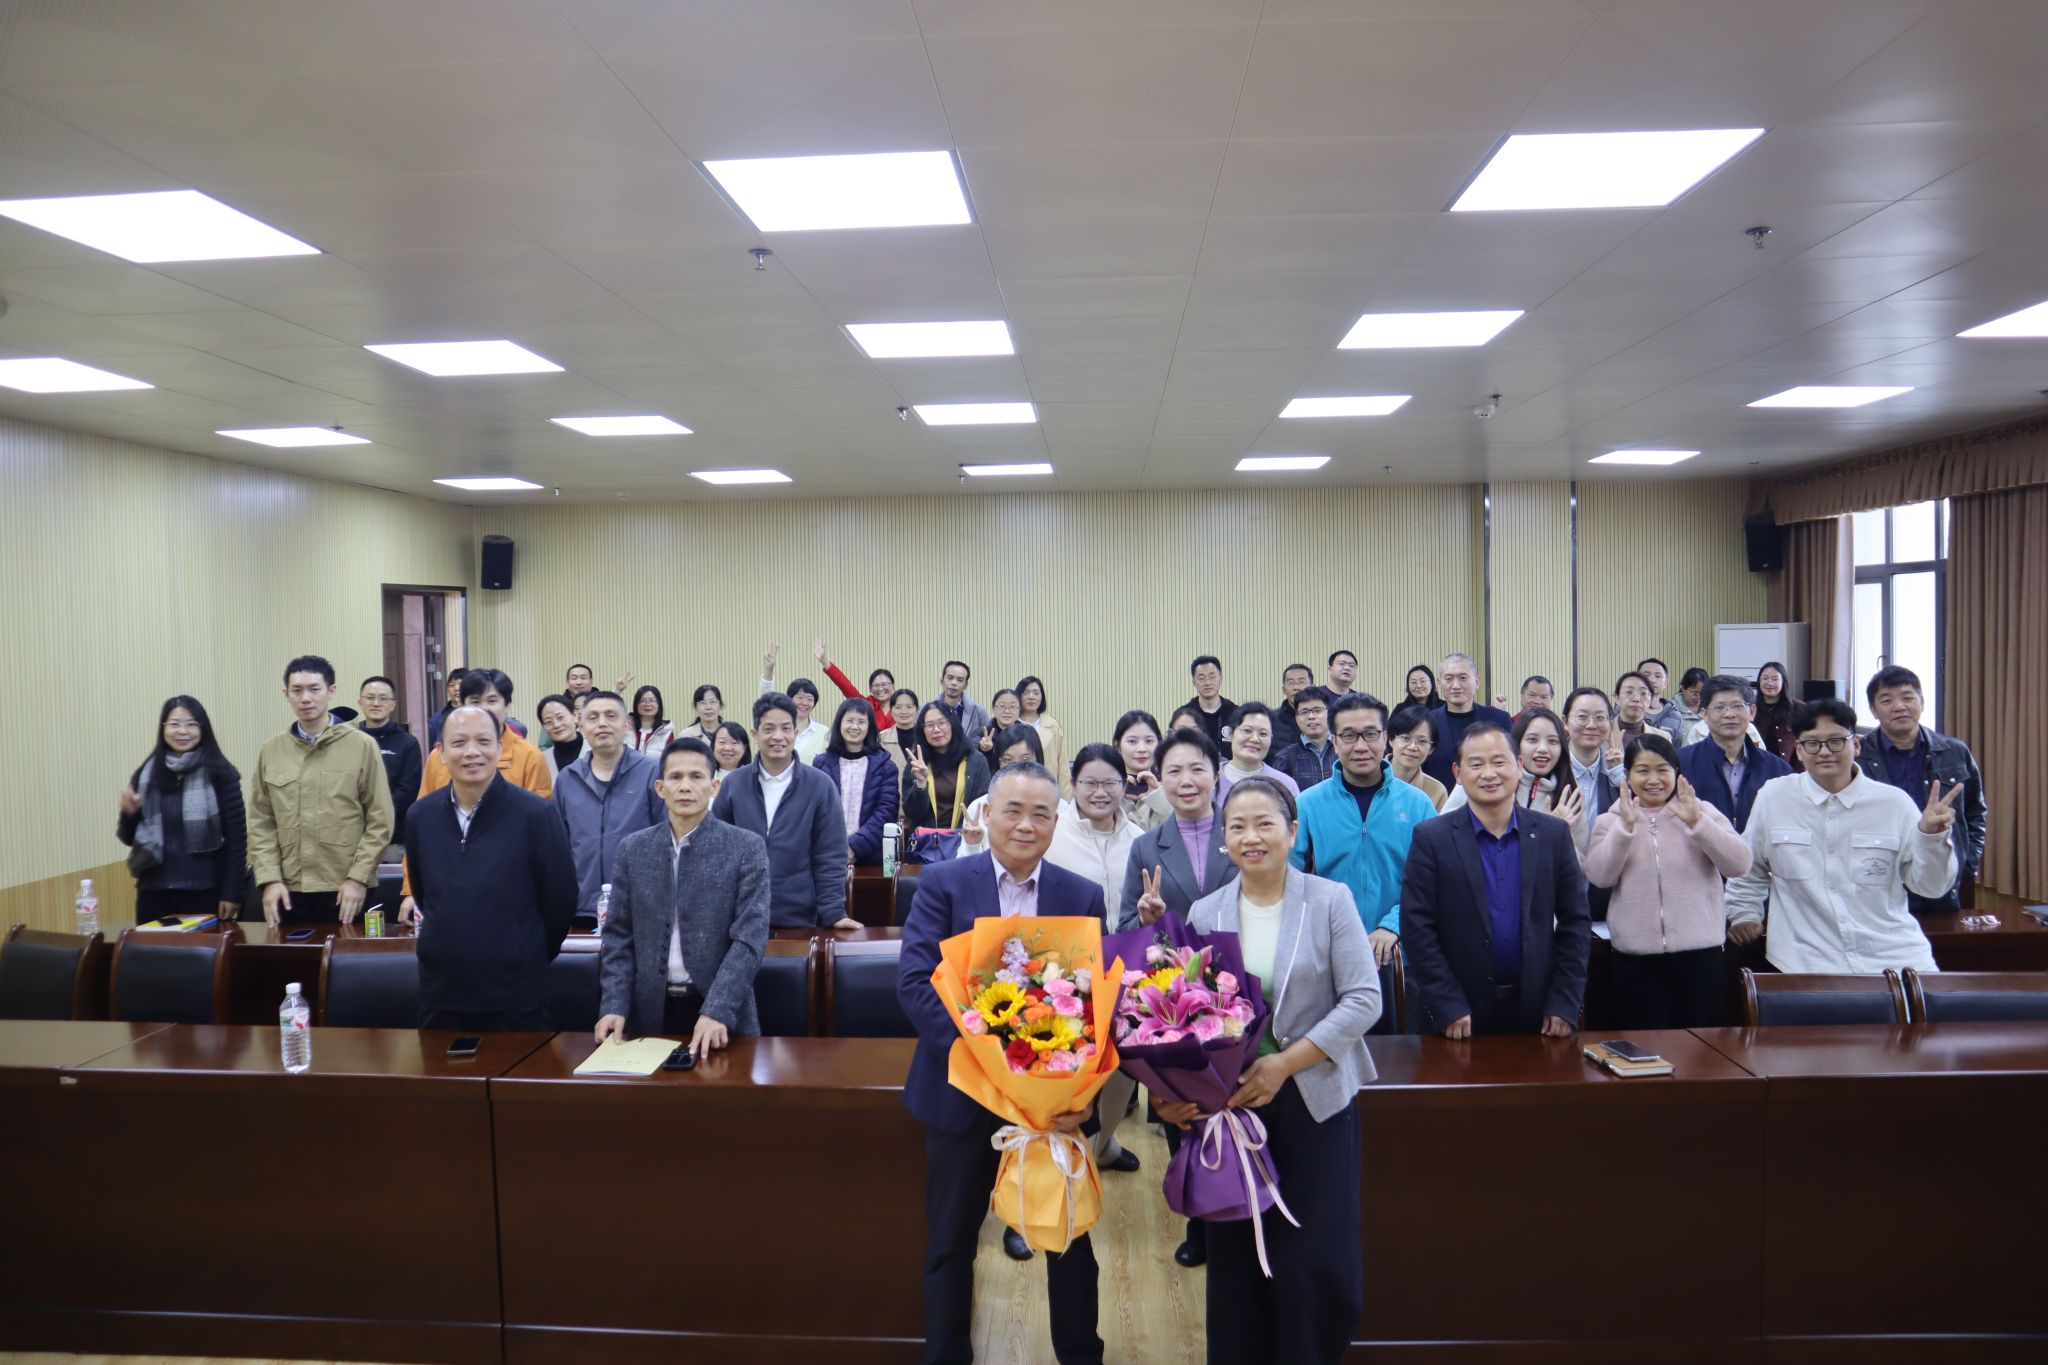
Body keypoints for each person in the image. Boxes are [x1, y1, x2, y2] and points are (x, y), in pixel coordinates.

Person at [896, 760, 1106, 1365]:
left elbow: (1096, 1003)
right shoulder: (944, 884)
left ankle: (1080, 1355)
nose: (1025, 825)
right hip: (962, 1094)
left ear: (1056, 822)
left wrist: (1081, 1089)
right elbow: (915, 984)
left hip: (1052, 1103)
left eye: (1041, 814)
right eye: (1012, 810)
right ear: (987, 813)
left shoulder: (1081, 894)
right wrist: (986, 1064)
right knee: (951, 1241)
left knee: (1068, 1240)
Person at [1168, 777, 1379, 1365]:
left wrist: (1284, 1064)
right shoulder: (1206, 911)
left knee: (1312, 1257)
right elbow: (1185, 1015)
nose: (1251, 837)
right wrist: (1173, 1093)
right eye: (1237, 826)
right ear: (1223, 839)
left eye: (1265, 823)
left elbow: (1364, 999)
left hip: (1314, 1097)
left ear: (1292, 832)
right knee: (1236, 1256)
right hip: (1233, 1109)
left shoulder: (1329, 899)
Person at [1725, 699, 1959, 974]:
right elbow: (1749, 868)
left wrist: (1931, 838)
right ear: (1799, 750)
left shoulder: (1894, 804)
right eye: (1813, 743)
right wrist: (1744, 914)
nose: (1824, 752)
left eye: (1836, 741)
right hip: (1804, 962)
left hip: (1892, 958)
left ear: (1856, 745)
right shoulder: (1775, 797)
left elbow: (1931, 887)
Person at [1399, 723, 1592, 1037]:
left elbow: (1576, 923)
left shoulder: (1552, 835)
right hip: (1457, 1015)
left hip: (1539, 1013)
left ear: (1518, 766)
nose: (1489, 774)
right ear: (1458, 773)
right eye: (1476, 764)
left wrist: (1563, 1001)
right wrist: (1447, 1004)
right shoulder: (1431, 838)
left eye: (1499, 762)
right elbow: (1417, 927)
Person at [595, 737, 772, 1055]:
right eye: (675, 777)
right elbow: (618, 936)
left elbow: (749, 939)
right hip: (649, 1013)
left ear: (714, 787)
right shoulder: (633, 850)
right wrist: (614, 1005)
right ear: (660, 788)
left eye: (696, 776)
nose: (685, 786)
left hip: (721, 1013)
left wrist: (717, 1009)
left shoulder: (745, 847)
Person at [405, 705, 576, 1031]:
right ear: (441, 752)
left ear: (499, 747)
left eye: (483, 741)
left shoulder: (535, 814)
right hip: (441, 993)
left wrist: (524, 953)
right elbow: (424, 894)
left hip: (517, 995)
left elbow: (561, 900)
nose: (472, 752)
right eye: (459, 743)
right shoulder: (420, 816)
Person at [1584, 735, 1751, 1029]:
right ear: (1627, 775)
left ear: (1676, 773)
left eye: (1662, 770)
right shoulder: (1611, 821)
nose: (1653, 780)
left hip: (1701, 956)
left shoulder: (1701, 811)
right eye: (1642, 770)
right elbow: (1600, 876)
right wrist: (1624, 829)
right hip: (1635, 959)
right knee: (1645, 1046)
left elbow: (1739, 864)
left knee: (1702, 1046)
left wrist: (1698, 823)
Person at [1291, 692, 1435, 971]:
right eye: (1348, 736)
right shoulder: (1308, 804)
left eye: (1370, 734)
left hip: (1402, 957)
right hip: (1331, 956)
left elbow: (1432, 881)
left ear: (1385, 738)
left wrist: (1393, 925)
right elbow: (1290, 879)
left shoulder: (1418, 804)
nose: (1360, 746)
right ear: (1334, 741)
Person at [248, 655, 393, 926]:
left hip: (346, 888)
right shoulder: (271, 750)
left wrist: (358, 877)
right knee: (289, 955)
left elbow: (380, 819)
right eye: (297, 690)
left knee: (350, 953)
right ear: (286, 694)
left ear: (331, 691)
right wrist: (269, 879)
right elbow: (261, 822)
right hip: (288, 889)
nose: (306, 698)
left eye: (314, 689)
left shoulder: (361, 745)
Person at [709, 692, 860, 931]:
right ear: (755, 735)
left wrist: (833, 912)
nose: (778, 736)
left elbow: (831, 855)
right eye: (769, 729)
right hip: (740, 918)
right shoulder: (733, 785)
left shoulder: (820, 786)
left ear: (795, 733)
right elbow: (716, 851)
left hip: (801, 920)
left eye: (786, 728)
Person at [1857, 665, 1988, 914]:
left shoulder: (1954, 751)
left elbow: (1975, 812)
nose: (1899, 707)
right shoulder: (1858, 757)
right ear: (1873, 710)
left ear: (1922, 702)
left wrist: (1967, 864)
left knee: (1942, 939)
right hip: (1880, 880)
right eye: (1887, 700)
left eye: (1907, 697)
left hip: (1940, 874)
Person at [117, 696, 247, 924]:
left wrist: (231, 894)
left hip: (205, 893)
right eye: (174, 724)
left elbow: (236, 840)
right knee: (151, 948)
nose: (182, 731)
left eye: (191, 724)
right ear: (163, 728)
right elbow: (128, 838)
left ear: (203, 728)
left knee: (204, 948)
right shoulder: (147, 774)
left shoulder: (221, 773)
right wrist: (129, 814)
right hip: (153, 893)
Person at [552, 690, 664, 920]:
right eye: (593, 717)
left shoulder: (651, 773)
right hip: (580, 907)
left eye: (611, 716)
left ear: (627, 725)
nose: (602, 723)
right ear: (581, 726)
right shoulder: (567, 779)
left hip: (639, 908)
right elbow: (557, 848)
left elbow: (666, 839)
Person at [1120, 728, 1234, 930]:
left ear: (1216, 776)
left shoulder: (1242, 838)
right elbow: (1124, 929)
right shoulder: (1144, 848)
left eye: (1197, 770)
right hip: (1171, 951)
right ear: (1161, 780)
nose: (1186, 781)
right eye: (1174, 771)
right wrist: (1144, 921)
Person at [1441, 707, 1590, 857]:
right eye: (1532, 740)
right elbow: (1445, 842)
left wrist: (1559, 834)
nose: (1543, 749)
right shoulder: (1484, 784)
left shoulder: (1569, 798)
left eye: (1552, 741)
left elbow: (1580, 865)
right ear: (1517, 743)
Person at [1679, 676, 1791, 834]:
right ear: (1704, 714)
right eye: (1719, 707)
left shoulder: (1778, 770)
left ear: (1752, 712)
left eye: (1737, 706)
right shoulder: (1681, 763)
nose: (1729, 714)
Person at [420, 668, 551, 797]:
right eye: (475, 702)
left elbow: (536, 808)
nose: (484, 709)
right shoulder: (439, 756)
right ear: (462, 706)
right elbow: (426, 807)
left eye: (492, 701)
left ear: (507, 705)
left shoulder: (530, 757)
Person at [814, 697, 900, 867]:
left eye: (861, 722)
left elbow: (886, 811)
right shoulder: (821, 764)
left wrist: (854, 847)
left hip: (871, 857)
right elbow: (816, 810)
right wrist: (836, 847)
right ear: (839, 723)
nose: (854, 726)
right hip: (827, 855)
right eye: (850, 720)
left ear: (870, 727)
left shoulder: (885, 766)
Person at [951, 725, 1045, 858]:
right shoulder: (980, 807)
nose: (1016, 767)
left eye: (1025, 759)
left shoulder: (1055, 806)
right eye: (1008, 760)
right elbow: (963, 865)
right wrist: (972, 846)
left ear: (1038, 761)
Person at [1420, 653, 1511, 788]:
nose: (1456, 685)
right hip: (1439, 800)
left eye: (1463, 678)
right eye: (1448, 678)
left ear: (1477, 682)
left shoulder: (1499, 719)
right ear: (1439, 683)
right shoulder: (1425, 722)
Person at [902, 701, 992, 832]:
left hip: (965, 838)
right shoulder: (917, 762)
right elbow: (913, 814)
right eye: (929, 725)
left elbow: (983, 806)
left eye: (941, 723)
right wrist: (920, 785)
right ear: (923, 730)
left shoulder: (975, 761)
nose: (936, 729)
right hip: (926, 841)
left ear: (952, 724)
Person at [351, 675, 422, 838]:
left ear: (392, 705)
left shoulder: (408, 743)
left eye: (383, 698)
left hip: (394, 834)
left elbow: (408, 792)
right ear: (360, 702)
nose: (376, 703)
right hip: (354, 831)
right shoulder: (350, 739)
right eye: (370, 698)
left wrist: (374, 815)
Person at [1561, 686, 1625, 820]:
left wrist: (1618, 776)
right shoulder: (1552, 766)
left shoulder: (1618, 770)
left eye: (1600, 717)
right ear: (1565, 721)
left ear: (1610, 723)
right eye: (1582, 717)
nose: (1591, 725)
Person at [1217, 703, 1302, 804]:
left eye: (1263, 734)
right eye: (1247, 731)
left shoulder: (1285, 784)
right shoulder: (1210, 778)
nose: (1254, 739)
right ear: (1231, 734)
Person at [810, 637, 895, 729]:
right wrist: (824, 660)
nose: (880, 688)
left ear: (893, 685)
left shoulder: (901, 705)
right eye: (876, 685)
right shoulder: (866, 704)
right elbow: (845, 685)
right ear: (870, 689)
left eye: (884, 684)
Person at [1271, 687, 1337, 792]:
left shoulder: (1344, 750)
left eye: (1317, 710)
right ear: (1296, 718)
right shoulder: (1285, 757)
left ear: (1329, 714)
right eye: (1304, 712)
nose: (1311, 716)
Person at [1385, 704, 1448, 809]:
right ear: (1391, 740)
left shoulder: (1437, 791)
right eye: (1405, 738)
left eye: (1422, 741)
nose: (1412, 747)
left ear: (1431, 749)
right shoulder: (1368, 779)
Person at [1114, 709, 1165, 828]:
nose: (1142, 749)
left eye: (1149, 741)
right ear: (1118, 745)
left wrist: (1158, 797)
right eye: (1132, 741)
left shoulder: (1170, 789)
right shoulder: (1107, 790)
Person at [1016, 676, 1066, 791]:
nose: (1031, 697)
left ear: (1041, 697)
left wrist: (1066, 797)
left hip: (1047, 788)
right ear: (1019, 696)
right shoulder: (1012, 724)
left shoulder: (1053, 725)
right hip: (1017, 787)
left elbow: (1062, 764)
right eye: (1026, 693)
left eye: (1036, 693)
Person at [1182, 654, 1236, 756]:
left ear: (1221, 678)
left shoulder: (1235, 713)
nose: (1207, 682)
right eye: (1201, 678)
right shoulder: (1184, 715)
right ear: (1194, 682)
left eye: (1212, 677)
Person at [1613, 671, 1679, 747]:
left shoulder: (1663, 737)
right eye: (1629, 692)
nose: (1636, 699)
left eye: (1643, 693)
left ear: (1650, 700)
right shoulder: (1603, 731)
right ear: (1617, 698)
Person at [934, 659, 990, 746]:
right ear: (942, 681)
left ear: (965, 685)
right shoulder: (927, 710)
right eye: (950, 678)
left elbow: (987, 738)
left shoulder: (978, 711)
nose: (954, 683)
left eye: (960, 680)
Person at [1753, 661, 1799, 764]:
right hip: (1759, 766)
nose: (1769, 683)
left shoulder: (1798, 708)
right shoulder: (1751, 708)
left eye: (1775, 679)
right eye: (1765, 678)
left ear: (1783, 681)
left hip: (1789, 768)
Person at [1637, 657, 1689, 740]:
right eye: (1646, 675)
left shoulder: (1675, 716)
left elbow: (1676, 747)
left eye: (1658, 676)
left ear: (1665, 683)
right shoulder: (1626, 710)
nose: (1652, 680)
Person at [536, 693, 582, 778]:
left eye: (560, 717)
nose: (556, 725)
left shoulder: (595, 750)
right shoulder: (542, 760)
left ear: (575, 716)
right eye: (548, 722)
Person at [1272, 663, 1316, 750]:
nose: (1296, 687)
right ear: (1284, 690)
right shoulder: (1271, 720)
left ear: (1312, 687)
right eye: (1291, 683)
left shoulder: (1324, 717)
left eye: (1301, 682)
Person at [879, 687, 920, 778]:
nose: (904, 711)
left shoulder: (927, 735)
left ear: (917, 709)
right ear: (891, 710)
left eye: (909, 707)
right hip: (892, 787)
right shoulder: (881, 739)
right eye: (898, 707)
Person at [427, 668, 468, 750]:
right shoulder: (437, 719)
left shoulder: (479, 715)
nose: (456, 688)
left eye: (461, 684)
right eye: (452, 685)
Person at [1668, 667, 1711, 745]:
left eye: (1702, 693)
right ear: (1683, 689)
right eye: (1694, 693)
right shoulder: (1671, 709)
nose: (1699, 697)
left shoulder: (1711, 709)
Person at [628, 684, 673, 755]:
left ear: (659, 704)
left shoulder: (666, 732)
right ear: (636, 704)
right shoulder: (626, 725)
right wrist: (617, 690)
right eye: (642, 701)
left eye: (652, 701)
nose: (647, 704)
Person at [977, 689, 1023, 755]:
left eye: (1012, 707)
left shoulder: (1026, 733)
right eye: (1002, 706)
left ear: (1019, 709)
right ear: (993, 708)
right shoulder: (982, 733)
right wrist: (982, 748)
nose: (1007, 711)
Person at [710, 721, 750, 789]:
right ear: (713, 745)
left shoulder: (753, 776)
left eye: (734, 743)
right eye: (722, 742)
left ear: (744, 747)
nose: (727, 748)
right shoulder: (705, 775)